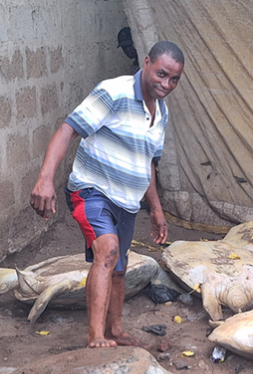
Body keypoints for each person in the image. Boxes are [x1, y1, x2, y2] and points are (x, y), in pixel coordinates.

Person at [30, 41, 185, 348]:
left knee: (119, 268)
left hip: (127, 202)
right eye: (162, 74)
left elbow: (147, 164)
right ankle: (96, 336)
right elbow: (68, 130)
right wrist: (44, 179)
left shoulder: (161, 113)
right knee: (108, 251)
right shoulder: (113, 92)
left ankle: (115, 330)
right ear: (147, 63)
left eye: (174, 79)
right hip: (91, 191)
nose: (167, 84)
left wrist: (156, 210)